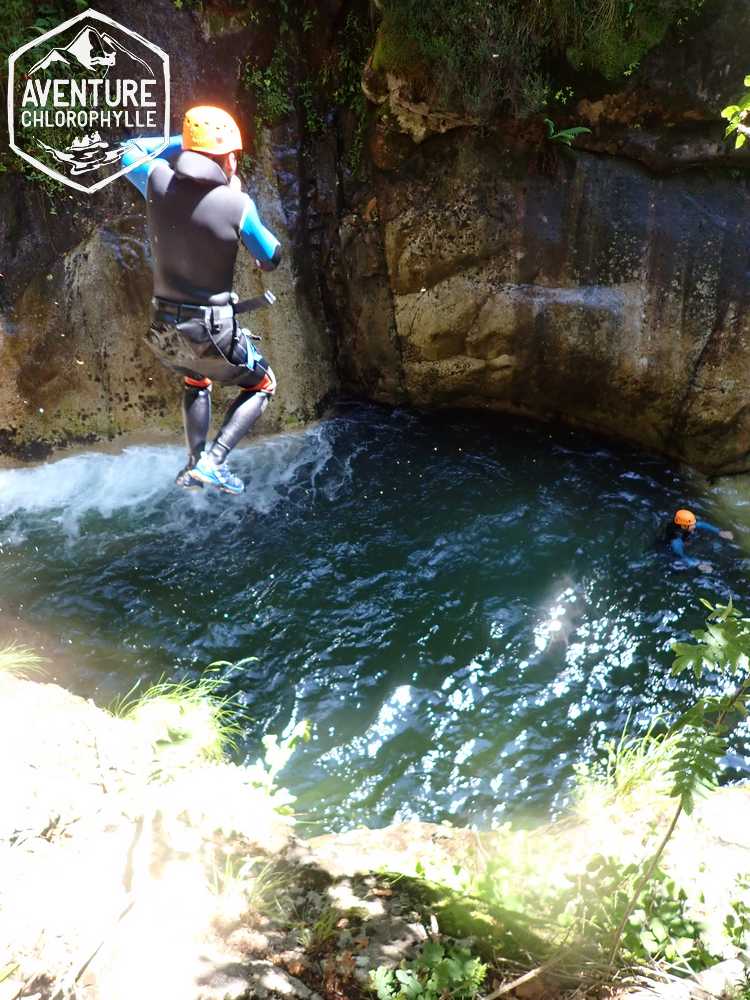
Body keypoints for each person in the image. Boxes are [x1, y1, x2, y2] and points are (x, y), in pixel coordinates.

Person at [120, 106, 282, 495]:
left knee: (197, 377)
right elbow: (271, 257)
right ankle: (214, 460)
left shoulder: (157, 179)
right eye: (233, 154)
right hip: (212, 328)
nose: (236, 161)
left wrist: (186, 142)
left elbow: (129, 150)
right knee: (263, 384)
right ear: (224, 158)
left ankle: (194, 465)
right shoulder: (236, 204)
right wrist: (240, 204)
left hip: (166, 326)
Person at [666, 509, 734, 572]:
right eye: (691, 525)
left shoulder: (684, 525)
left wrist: (719, 532)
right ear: (683, 526)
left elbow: (701, 524)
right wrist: (698, 564)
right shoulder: (676, 542)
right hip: (673, 552)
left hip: (683, 540)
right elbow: (682, 557)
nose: (694, 526)